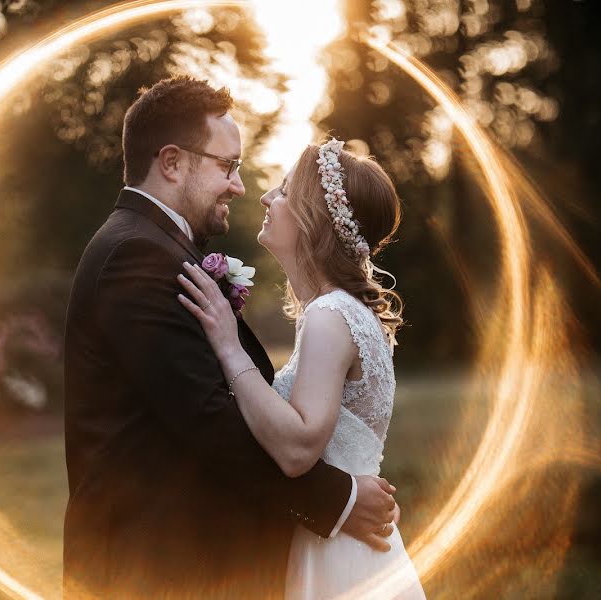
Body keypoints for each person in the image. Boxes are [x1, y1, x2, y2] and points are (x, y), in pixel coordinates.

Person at [62, 76, 400, 599]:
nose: (241, 187)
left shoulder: (156, 248)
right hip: (149, 567)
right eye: (228, 167)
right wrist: (336, 500)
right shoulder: (137, 255)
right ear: (171, 163)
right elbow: (207, 419)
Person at [177, 139, 427, 599]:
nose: (267, 197)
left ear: (316, 219)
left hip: (335, 559)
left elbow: (298, 450)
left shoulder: (331, 314)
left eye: (286, 191)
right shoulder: (341, 311)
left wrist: (229, 348)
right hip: (346, 543)